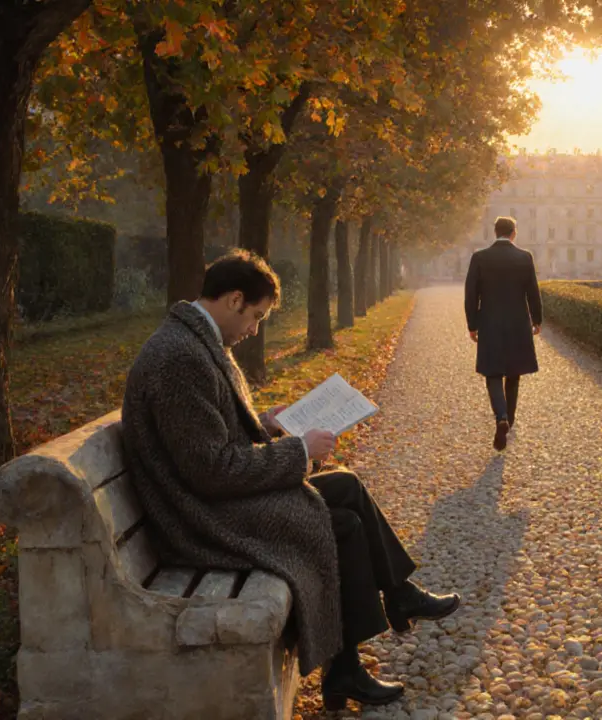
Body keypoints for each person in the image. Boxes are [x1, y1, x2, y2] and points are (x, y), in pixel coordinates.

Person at [120, 250, 460, 710]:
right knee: (341, 523)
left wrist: (266, 424)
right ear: (235, 299)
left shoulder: (196, 342)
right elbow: (210, 471)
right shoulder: (182, 357)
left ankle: (392, 605)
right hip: (197, 519)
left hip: (207, 502)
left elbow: (207, 437)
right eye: (256, 317)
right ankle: (349, 665)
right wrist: (298, 450)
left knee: (345, 485)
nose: (255, 330)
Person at [464, 216, 543, 451]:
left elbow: (471, 295)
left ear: (495, 232)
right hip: (518, 322)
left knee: (493, 373)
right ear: (513, 233)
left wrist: (472, 324)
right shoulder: (524, 257)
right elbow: (533, 293)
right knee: (514, 372)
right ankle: (510, 418)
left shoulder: (479, 258)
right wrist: (537, 320)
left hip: (489, 322)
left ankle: (501, 417)